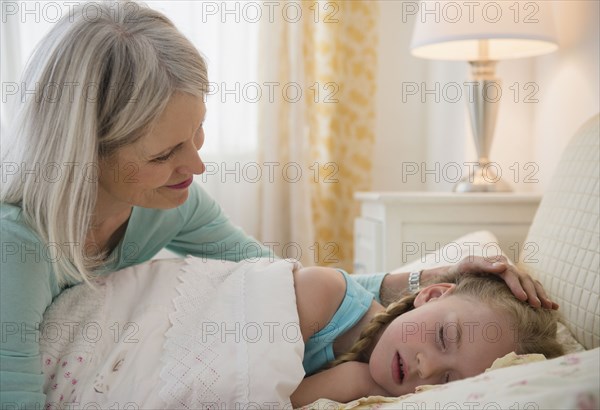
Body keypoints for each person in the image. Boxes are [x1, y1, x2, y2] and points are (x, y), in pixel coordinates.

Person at [0, 2, 557, 408]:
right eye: (165, 153)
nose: (195, 168)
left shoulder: (171, 203)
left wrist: (427, 276)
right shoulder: (18, 247)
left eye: (197, 136)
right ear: (85, 151)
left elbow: (275, 281)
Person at [290, 267, 564, 407]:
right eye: (443, 337)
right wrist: (350, 378)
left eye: (446, 381)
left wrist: (354, 380)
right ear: (431, 295)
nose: (427, 368)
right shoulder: (322, 293)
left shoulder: (373, 388)